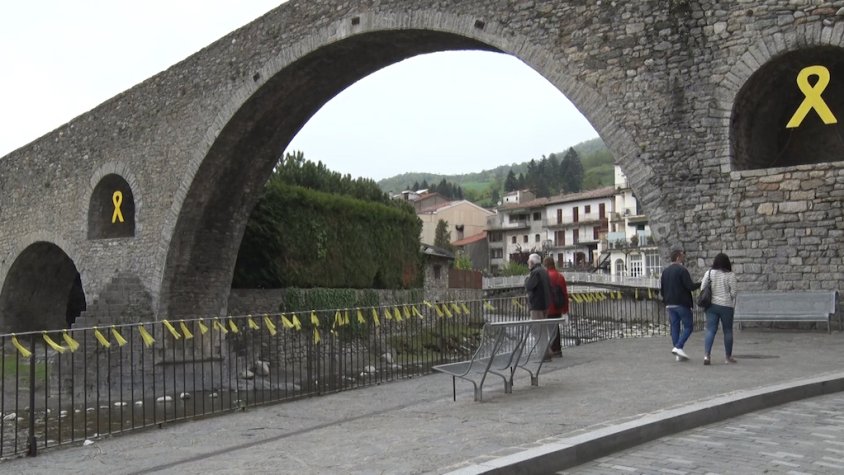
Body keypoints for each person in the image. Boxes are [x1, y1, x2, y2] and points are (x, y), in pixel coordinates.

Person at [700, 253, 738, 365]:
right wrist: (728, 297)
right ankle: (728, 357)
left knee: (710, 330)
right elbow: (734, 292)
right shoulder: (730, 275)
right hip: (726, 306)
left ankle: (707, 356)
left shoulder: (709, 273)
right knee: (727, 331)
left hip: (711, 306)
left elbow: (703, 287)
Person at [659, 249, 695, 361]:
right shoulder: (682, 270)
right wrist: (702, 283)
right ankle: (678, 347)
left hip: (670, 304)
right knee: (689, 326)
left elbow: (662, 289)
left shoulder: (665, 272)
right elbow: (690, 286)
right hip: (682, 303)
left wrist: (666, 300)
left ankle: (678, 353)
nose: (684, 258)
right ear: (678, 257)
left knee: (675, 327)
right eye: (683, 256)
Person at [543, 256, 569, 357]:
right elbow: (564, 293)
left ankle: (553, 349)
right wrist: (565, 309)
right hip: (558, 307)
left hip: (548, 307)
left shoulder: (545, 276)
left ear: (545, 265)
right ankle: (557, 349)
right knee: (555, 328)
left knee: (550, 330)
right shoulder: (560, 276)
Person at [524, 253, 551, 321]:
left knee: (537, 329)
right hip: (545, 305)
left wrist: (527, 279)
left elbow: (529, 286)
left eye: (529, 261)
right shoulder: (544, 271)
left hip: (536, 306)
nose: (528, 263)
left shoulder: (535, 272)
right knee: (543, 329)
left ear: (532, 262)